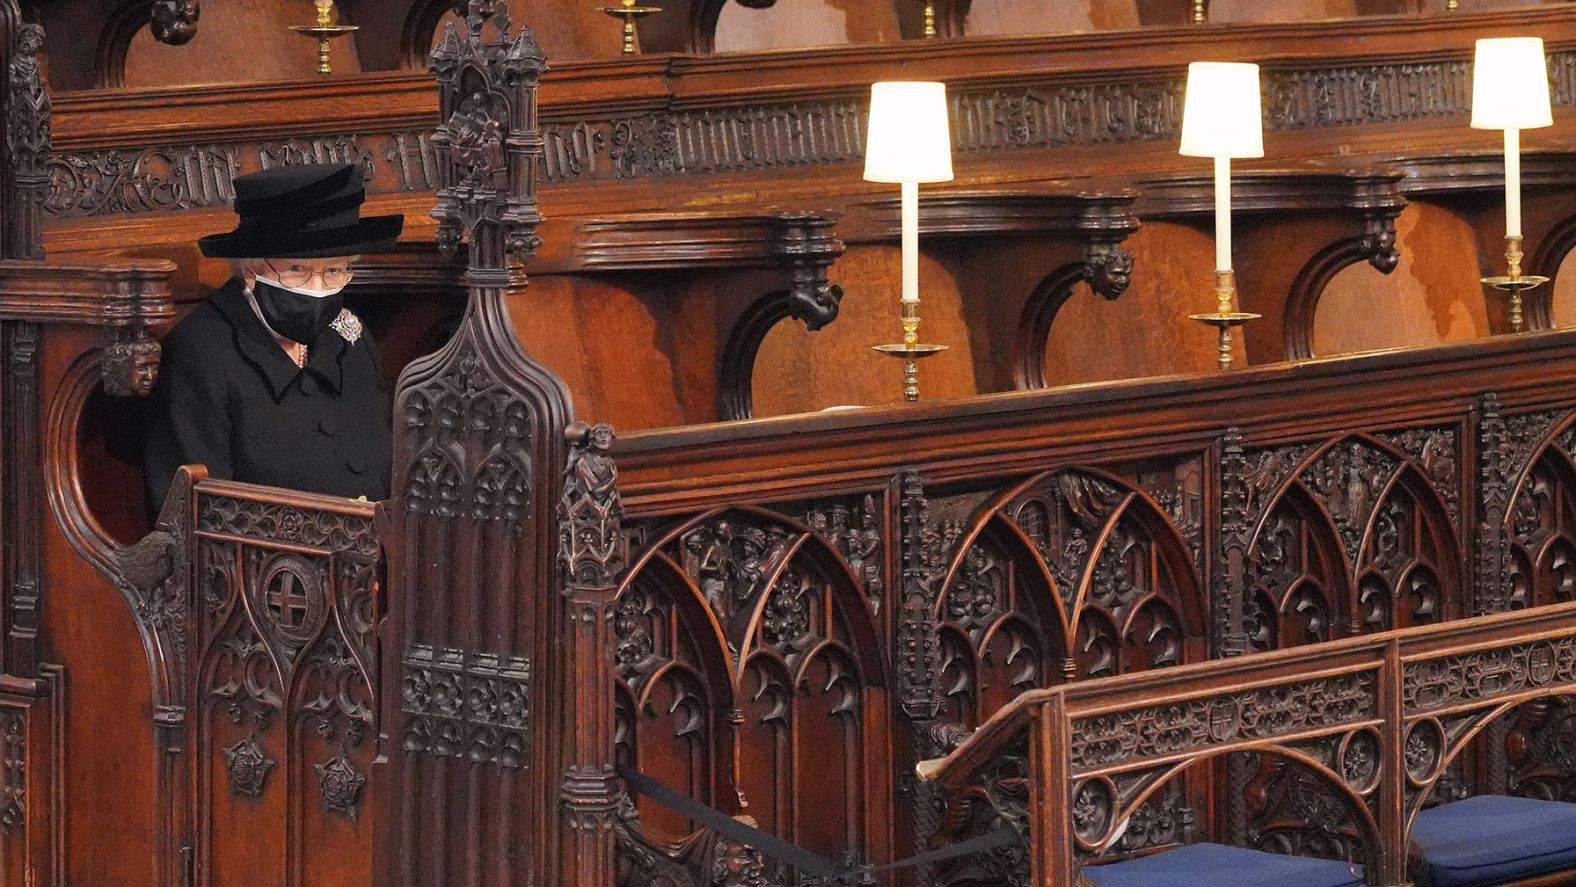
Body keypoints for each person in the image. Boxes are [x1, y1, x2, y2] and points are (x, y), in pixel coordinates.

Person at [143, 162, 403, 507]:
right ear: (250, 271)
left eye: (334, 270)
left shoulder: (350, 337)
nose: (318, 289)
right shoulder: (202, 352)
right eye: (297, 270)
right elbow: (194, 513)